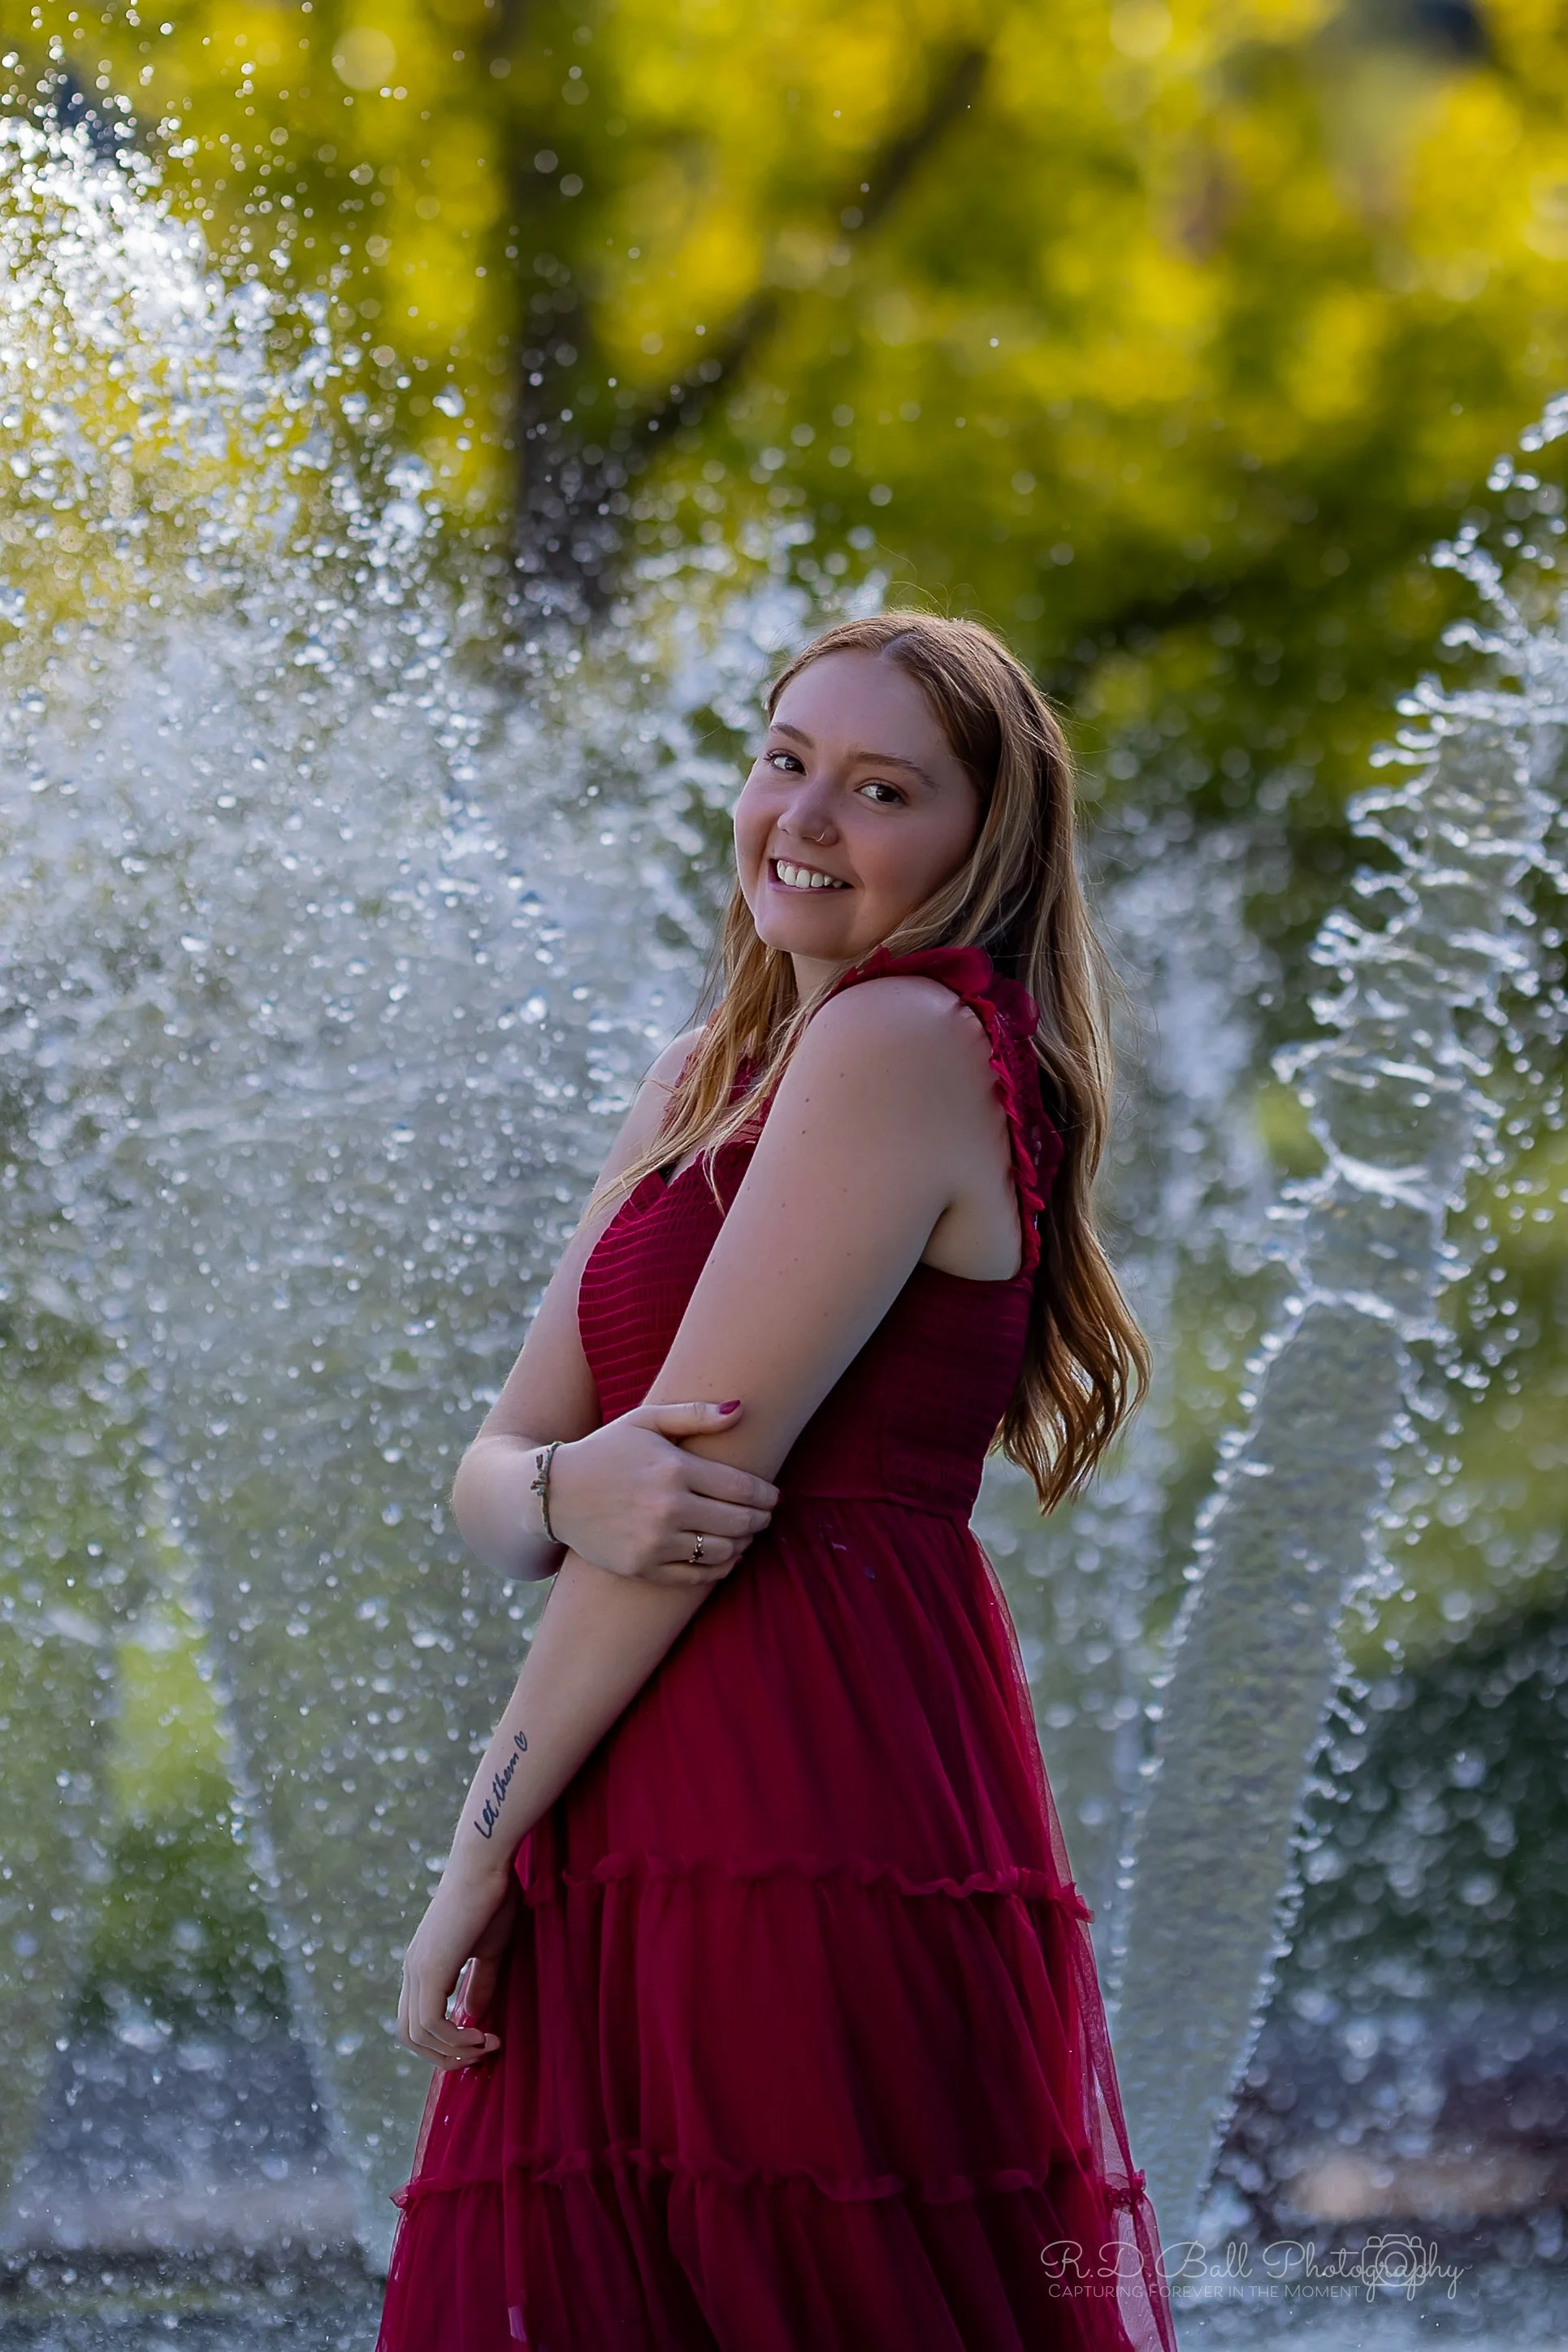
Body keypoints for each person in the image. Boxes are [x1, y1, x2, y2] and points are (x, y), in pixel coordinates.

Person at [375, 613, 1177, 2352]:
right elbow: (501, 1468)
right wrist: (564, 1489)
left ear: (980, 843)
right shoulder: (698, 1077)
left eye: (880, 789)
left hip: (800, 1798)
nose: (802, 817)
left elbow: (689, 1508)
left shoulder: (903, 1040)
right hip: (627, 1797)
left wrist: (471, 1855)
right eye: (782, 758)